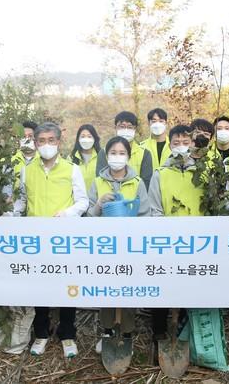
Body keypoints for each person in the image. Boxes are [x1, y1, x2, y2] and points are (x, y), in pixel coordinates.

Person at [13, 122, 89, 358]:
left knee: (67, 285)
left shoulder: (71, 169)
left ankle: (67, 333)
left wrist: (67, 213)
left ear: (59, 142)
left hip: (63, 238)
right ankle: (41, 333)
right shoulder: (27, 170)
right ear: (35, 144)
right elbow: (22, 201)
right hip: (36, 238)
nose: (46, 145)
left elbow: (83, 201)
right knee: (40, 286)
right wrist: (10, 215)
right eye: (42, 141)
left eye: (51, 140)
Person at [87, 136, 148, 354]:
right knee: (107, 288)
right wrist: (99, 204)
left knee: (129, 289)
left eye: (122, 153)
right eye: (113, 153)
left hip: (130, 246)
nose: (117, 157)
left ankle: (127, 333)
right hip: (105, 247)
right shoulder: (97, 182)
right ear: (106, 156)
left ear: (128, 157)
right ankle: (107, 332)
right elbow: (88, 217)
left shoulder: (137, 182)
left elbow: (145, 215)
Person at [147, 125, 204, 355]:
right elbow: (155, 209)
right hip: (167, 242)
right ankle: (159, 333)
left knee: (190, 286)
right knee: (162, 286)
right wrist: (168, 234)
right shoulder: (160, 174)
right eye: (176, 142)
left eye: (185, 142)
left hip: (197, 242)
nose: (181, 146)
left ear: (192, 144)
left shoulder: (202, 173)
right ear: (170, 145)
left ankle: (184, 332)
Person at [96, 111, 153, 188]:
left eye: (129, 127)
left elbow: (146, 182)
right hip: (109, 194)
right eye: (122, 127)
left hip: (136, 194)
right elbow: (100, 179)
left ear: (135, 129)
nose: (126, 130)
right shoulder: (104, 152)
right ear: (115, 128)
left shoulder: (144, 153)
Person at [68, 124, 101, 193]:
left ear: (94, 139)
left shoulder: (101, 157)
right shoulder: (71, 158)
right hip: (76, 197)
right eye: (83, 136)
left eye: (89, 136)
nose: (86, 139)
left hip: (97, 197)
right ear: (78, 139)